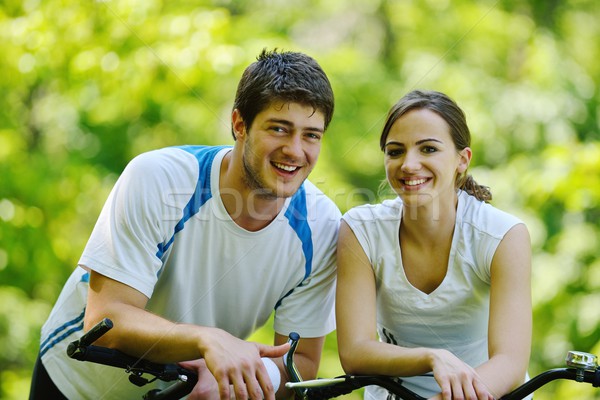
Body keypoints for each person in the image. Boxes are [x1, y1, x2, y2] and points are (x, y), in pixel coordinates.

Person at [30, 48, 341, 400]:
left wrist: (238, 377)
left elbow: (299, 362)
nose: (295, 150)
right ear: (240, 125)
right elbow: (107, 322)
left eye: (311, 135)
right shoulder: (159, 179)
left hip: (185, 393)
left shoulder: (322, 225)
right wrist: (208, 341)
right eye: (279, 129)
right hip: (78, 383)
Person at [336, 90, 532, 400]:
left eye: (428, 149)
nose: (409, 164)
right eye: (395, 151)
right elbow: (354, 352)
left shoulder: (504, 235)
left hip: (486, 394)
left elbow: (509, 362)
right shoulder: (360, 230)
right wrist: (431, 356)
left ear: (461, 160)